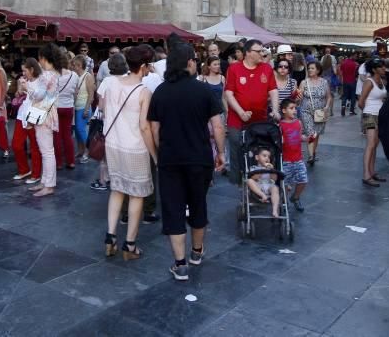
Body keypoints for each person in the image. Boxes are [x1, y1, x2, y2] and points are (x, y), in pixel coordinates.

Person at [148, 41, 225, 281]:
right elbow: (217, 124)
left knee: (174, 209)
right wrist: (220, 153)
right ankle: (197, 252)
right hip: (199, 158)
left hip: (170, 159)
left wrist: (161, 152)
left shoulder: (160, 92)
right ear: (190, 63)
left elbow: (153, 127)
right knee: (198, 203)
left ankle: (180, 264)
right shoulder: (203, 90)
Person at [103, 44, 157, 261]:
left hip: (113, 144)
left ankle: (110, 237)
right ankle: (130, 244)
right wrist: (154, 154)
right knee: (136, 194)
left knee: (117, 190)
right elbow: (145, 127)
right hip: (135, 148)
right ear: (143, 66)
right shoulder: (144, 92)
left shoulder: (111, 83)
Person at [224, 39, 280, 177]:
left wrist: (276, 110)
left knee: (257, 148)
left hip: (259, 118)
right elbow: (229, 93)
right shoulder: (234, 69)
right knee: (236, 145)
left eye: (263, 51)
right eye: (259, 51)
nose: (262, 54)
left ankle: (256, 177)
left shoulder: (266, 68)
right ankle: (237, 179)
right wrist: (241, 112)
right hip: (237, 119)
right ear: (248, 53)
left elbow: (273, 91)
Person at [27, 43, 63, 198]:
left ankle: (48, 185)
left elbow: (38, 95)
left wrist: (26, 87)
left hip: (43, 112)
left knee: (47, 151)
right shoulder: (55, 73)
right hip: (48, 111)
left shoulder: (47, 75)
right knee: (46, 150)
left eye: (40, 57)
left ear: (43, 58)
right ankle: (45, 182)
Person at [90, 53, 128, 191]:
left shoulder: (107, 81)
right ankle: (120, 180)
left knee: (105, 157)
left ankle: (104, 181)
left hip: (109, 124)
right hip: (126, 125)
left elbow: (100, 106)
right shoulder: (129, 79)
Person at [12, 58, 43, 184]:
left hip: (34, 115)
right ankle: (24, 169)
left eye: (24, 71)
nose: (23, 73)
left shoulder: (41, 82)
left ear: (31, 69)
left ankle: (36, 174)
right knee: (16, 144)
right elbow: (17, 95)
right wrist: (20, 89)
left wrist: (27, 87)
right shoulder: (24, 81)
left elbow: (40, 97)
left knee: (35, 146)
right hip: (22, 114)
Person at [358, 58, 387, 187]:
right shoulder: (369, 82)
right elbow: (360, 101)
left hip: (379, 115)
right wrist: (366, 113)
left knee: (375, 144)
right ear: (374, 69)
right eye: (380, 67)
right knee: (370, 144)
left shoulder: (381, 80)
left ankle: (372, 171)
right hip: (370, 115)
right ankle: (366, 175)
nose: (383, 69)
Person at [298, 61, 332, 166]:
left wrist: (327, 107)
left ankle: (313, 152)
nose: (310, 70)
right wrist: (297, 96)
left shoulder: (324, 82)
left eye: (312, 68)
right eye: (309, 68)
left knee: (316, 134)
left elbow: (329, 96)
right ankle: (311, 156)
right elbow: (299, 97)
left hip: (320, 112)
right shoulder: (304, 82)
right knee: (311, 133)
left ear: (318, 70)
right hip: (306, 111)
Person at [52, 53, 79, 170]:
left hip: (56, 107)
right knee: (67, 135)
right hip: (68, 107)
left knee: (57, 136)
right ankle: (71, 161)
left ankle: (58, 163)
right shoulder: (74, 75)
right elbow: (76, 92)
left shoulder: (54, 75)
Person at [279, 99, 307, 212]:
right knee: (285, 183)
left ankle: (295, 197)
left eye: (295, 108)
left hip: (298, 158)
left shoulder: (298, 123)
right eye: (291, 108)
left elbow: (300, 137)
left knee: (303, 180)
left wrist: (307, 138)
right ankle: (284, 202)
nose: (294, 111)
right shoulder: (280, 125)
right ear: (284, 110)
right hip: (286, 160)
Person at [71, 54, 95, 164]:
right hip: (76, 107)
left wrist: (86, 109)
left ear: (79, 65)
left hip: (83, 107)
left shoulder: (87, 76)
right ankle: (81, 150)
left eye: (74, 65)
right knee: (77, 131)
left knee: (81, 130)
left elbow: (91, 95)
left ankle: (88, 151)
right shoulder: (76, 76)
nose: (72, 67)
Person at [246, 147, 280, 218]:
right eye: (264, 156)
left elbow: (275, 179)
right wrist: (263, 169)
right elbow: (254, 177)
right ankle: (262, 195)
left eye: (268, 157)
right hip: (258, 186)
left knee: (275, 188)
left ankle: (274, 210)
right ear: (257, 157)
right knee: (249, 181)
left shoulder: (270, 168)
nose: (267, 158)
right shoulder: (254, 168)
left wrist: (272, 171)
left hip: (269, 185)